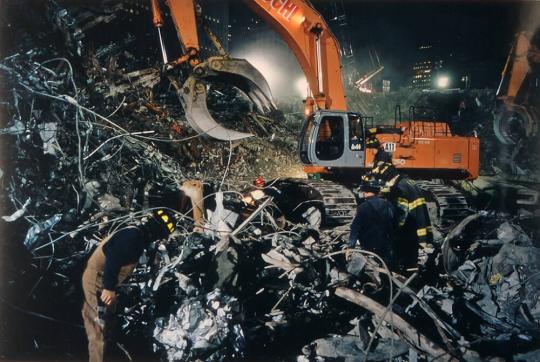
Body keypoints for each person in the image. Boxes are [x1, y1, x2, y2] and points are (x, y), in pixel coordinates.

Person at [81, 209, 176, 362]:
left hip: (106, 282)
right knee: (98, 327)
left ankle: (110, 350)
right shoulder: (133, 237)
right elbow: (113, 258)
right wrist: (109, 287)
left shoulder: (137, 235)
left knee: (109, 319)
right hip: (98, 281)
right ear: (157, 232)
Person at [370, 158, 433, 272]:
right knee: (412, 262)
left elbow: (400, 218)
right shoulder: (408, 181)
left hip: (407, 234)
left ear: (388, 177)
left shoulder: (400, 188)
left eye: (383, 181)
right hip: (419, 230)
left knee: (399, 263)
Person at [348, 176, 398, 270]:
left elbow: (355, 228)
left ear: (365, 192)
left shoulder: (363, 207)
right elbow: (394, 224)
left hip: (368, 247)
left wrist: (350, 246)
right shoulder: (388, 205)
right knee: (387, 269)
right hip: (386, 246)